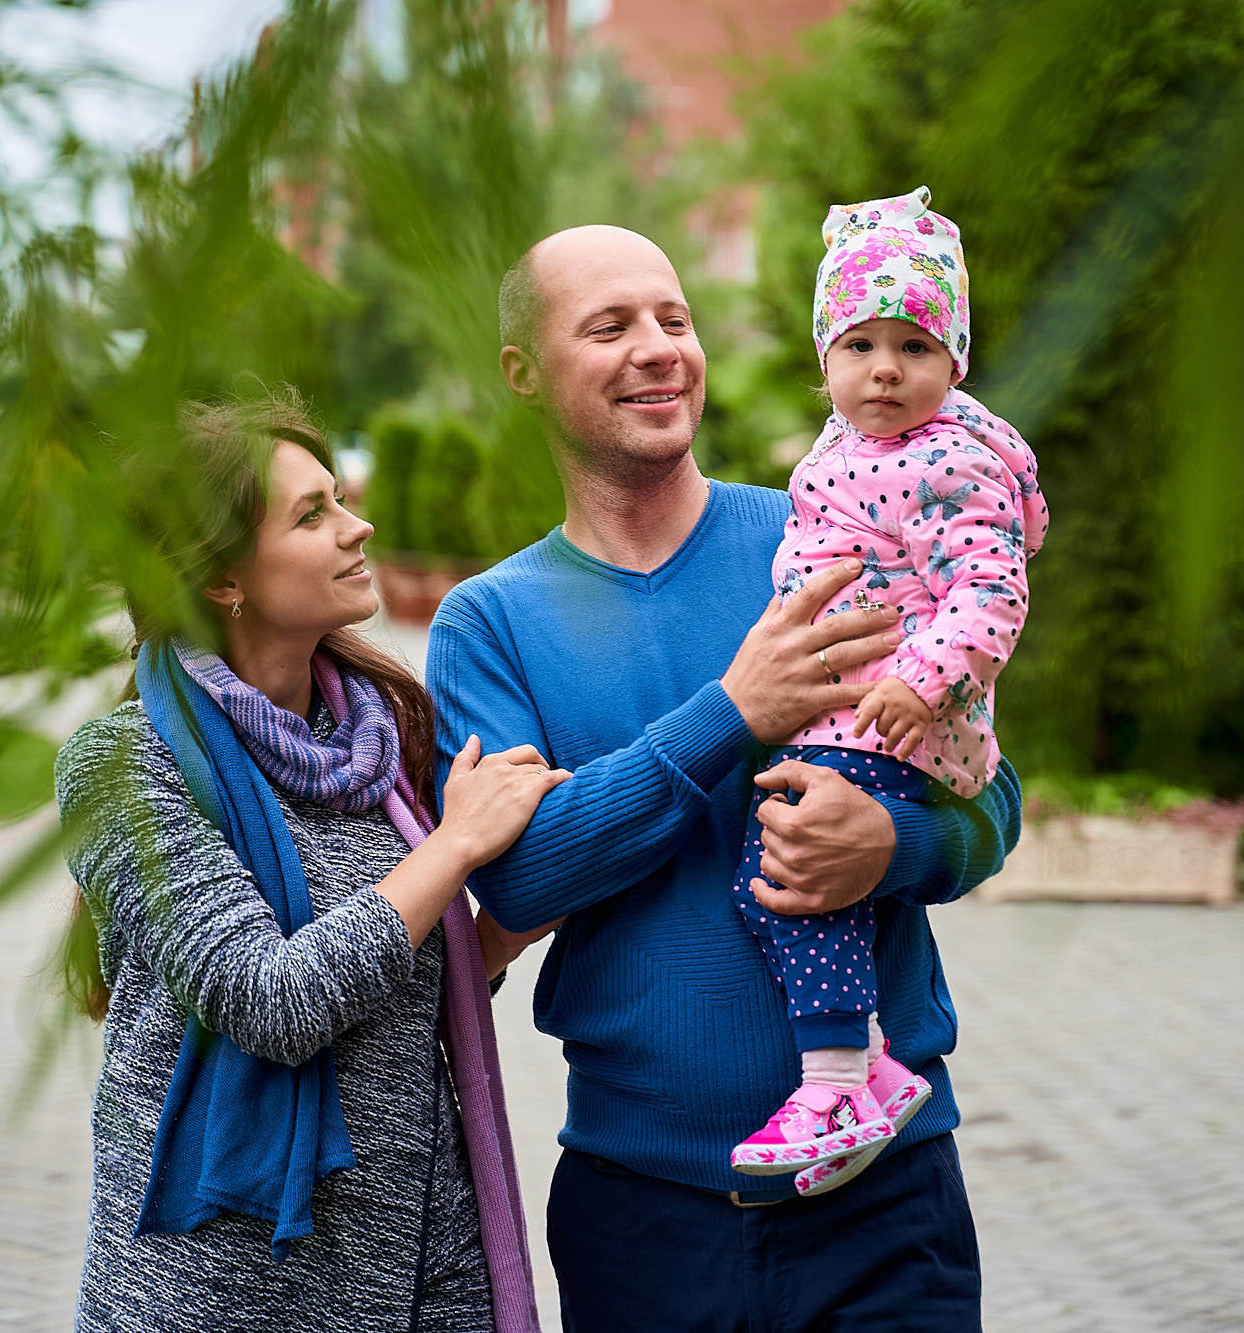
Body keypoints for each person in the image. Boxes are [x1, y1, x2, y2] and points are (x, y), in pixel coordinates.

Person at [422, 223, 1022, 1330]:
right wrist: (730, 715)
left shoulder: (824, 530)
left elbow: (990, 800)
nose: (658, 348)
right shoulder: (488, 624)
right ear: (522, 374)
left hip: (887, 1198)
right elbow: (517, 881)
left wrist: (892, 846)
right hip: (643, 1212)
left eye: (674, 319)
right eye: (609, 327)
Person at [57, 393, 559, 1333]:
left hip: (419, 1254)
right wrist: (454, 847)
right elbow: (272, 1001)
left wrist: (506, 926)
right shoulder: (121, 768)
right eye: (312, 513)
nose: (357, 524)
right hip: (225, 1286)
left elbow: (391, 985)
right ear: (222, 580)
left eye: (341, 498)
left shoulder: (377, 738)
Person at [728, 186, 1049, 1195]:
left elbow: (992, 591)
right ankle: (851, 1067)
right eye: (857, 344)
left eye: (911, 347)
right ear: (823, 359)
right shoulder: (841, 453)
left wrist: (918, 680)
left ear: (952, 365)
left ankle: (844, 1072)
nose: (883, 368)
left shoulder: (948, 460)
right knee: (764, 882)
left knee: (793, 875)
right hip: (846, 712)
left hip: (889, 722)